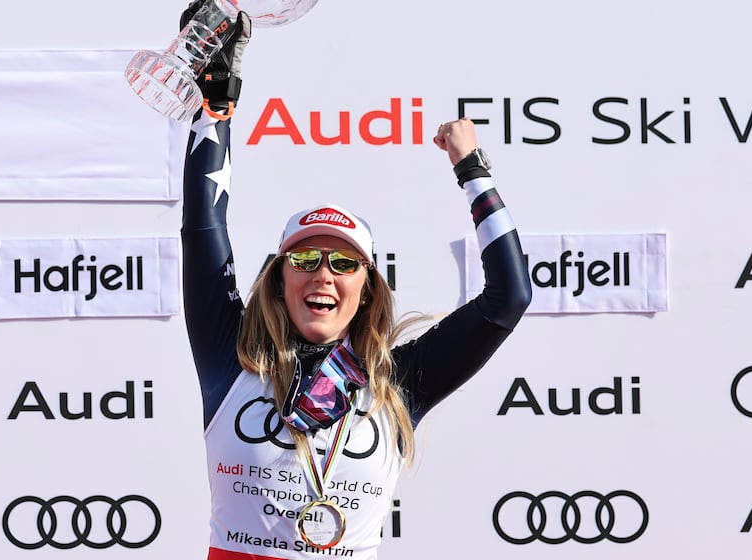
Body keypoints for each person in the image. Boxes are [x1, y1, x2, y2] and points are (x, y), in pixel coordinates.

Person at [180, 4, 532, 559]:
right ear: (278, 280)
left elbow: (508, 298)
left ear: (367, 288)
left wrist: (473, 170)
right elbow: (203, 225)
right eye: (306, 259)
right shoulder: (233, 356)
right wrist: (216, 97)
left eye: (344, 264)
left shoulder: (398, 382)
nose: (323, 273)